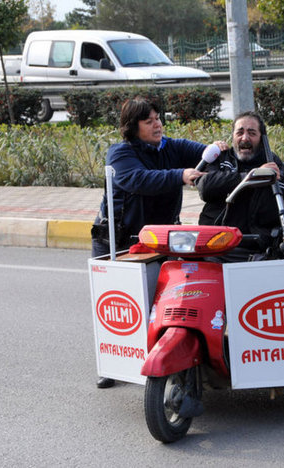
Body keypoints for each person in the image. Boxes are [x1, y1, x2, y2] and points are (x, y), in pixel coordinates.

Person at [91, 97, 227, 388]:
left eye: (158, 118)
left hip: (159, 242)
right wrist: (180, 175)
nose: (157, 124)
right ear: (132, 127)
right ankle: (113, 364)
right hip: (120, 242)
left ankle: (161, 358)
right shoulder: (120, 154)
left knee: (160, 303)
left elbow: (201, 153)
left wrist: (216, 151)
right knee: (122, 307)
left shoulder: (170, 146)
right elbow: (138, 179)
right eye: (149, 120)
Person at [197, 111, 284, 260]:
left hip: (262, 255)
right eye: (240, 132)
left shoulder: (283, 176)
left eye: (252, 133)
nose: (245, 138)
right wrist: (251, 176)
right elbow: (205, 188)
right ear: (232, 136)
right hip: (216, 250)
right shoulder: (221, 161)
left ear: (263, 138)